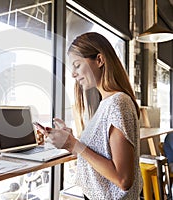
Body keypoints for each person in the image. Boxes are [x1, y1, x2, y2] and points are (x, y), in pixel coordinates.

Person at [38, 32, 142, 199]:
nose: (73, 74)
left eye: (77, 65)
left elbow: (123, 179)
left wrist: (74, 144)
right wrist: (70, 141)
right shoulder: (106, 103)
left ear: (100, 60)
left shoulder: (118, 102)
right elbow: (97, 155)